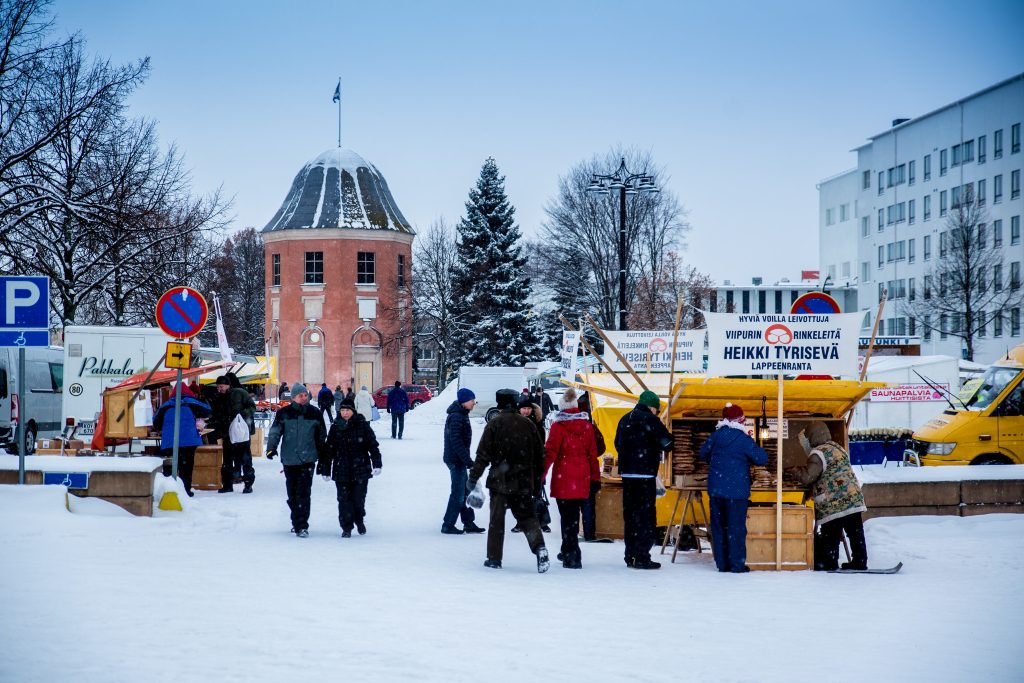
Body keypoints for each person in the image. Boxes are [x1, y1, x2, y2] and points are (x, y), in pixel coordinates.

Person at [468, 390, 550, 572]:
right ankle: (539, 548)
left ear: (499, 404)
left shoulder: (494, 424)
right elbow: (540, 456)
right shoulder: (528, 425)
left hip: (500, 482)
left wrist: (473, 477)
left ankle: (494, 558)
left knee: (496, 521)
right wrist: (536, 481)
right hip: (523, 482)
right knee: (528, 518)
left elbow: (483, 455)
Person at [787, 421, 869, 571]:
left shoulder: (818, 453)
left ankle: (830, 562)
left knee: (830, 535)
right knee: (855, 533)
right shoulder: (838, 448)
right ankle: (860, 561)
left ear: (811, 437)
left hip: (834, 503)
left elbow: (808, 477)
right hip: (853, 499)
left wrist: (795, 471)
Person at [698, 403, 768, 573]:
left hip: (716, 490)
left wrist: (717, 461)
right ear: (740, 420)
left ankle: (722, 564)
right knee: (735, 528)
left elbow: (702, 453)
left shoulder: (715, 436)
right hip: (736, 492)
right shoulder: (743, 439)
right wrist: (746, 459)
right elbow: (762, 458)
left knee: (719, 528)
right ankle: (736, 564)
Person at [614, 390, 673, 570]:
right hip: (645, 475)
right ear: (652, 407)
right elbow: (667, 443)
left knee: (630, 515)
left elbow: (617, 443)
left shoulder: (625, 418)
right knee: (645, 517)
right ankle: (642, 556)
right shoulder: (651, 420)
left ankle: (630, 554)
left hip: (627, 475)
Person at [542, 387, 599, 569]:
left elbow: (550, 453)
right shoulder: (587, 426)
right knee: (574, 518)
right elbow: (593, 455)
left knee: (567, 519)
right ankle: (567, 550)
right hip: (582, 479)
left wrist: (540, 475)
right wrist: (595, 478)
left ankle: (572, 556)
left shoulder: (558, 427)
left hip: (564, 479)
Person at [266, 383, 326, 538]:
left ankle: (302, 525)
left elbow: (321, 436)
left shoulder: (315, 413)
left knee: (304, 493)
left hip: (308, 459)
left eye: (305, 395)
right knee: (292, 494)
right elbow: (275, 432)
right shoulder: (284, 413)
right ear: (293, 398)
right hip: (290, 459)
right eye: (300, 395)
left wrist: (323, 455)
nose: (304, 398)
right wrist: (271, 448)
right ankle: (296, 520)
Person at [318, 397, 382, 537]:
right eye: (342, 410)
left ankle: (359, 520)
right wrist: (326, 469)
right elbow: (329, 449)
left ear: (353, 411)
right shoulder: (336, 427)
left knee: (358, 500)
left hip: (360, 469)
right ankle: (346, 527)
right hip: (342, 470)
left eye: (347, 410)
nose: (345, 413)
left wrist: (377, 463)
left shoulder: (362, 424)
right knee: (343, 500)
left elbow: (372, 445)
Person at [152, 383, 211, 497]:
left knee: (169, 466)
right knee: (187, 467)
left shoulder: (165, 406)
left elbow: (155, 422)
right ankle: (186, 491)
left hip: (170, 441)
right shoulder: (191, 402)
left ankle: (168, 491)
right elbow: (208, 410)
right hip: (189, 441)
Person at [441, 388, 485, 535]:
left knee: (466, 491)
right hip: (456, 460)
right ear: (464, 401)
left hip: (458, 459)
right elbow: (456, 441)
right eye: (472, 400)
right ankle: (448, 525)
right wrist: (468, 461)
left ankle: (468, 523)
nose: (474, 403)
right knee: (458, 494)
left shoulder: (461, 414)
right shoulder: (457, 417)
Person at [512, 394, 551, 534]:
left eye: (528, 408)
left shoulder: (538, 425)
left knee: (537, 494)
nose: (526, 411)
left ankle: (542, 522)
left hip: (535, 465)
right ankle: (521, 522)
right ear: (519, 410)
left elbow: (542, 446)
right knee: (521, 496)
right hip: (519, 466)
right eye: (524, 408)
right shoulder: (514, 425)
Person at [212, 374, 257, 494]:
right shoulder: (218, 397)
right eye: (218, 387)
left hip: (241, 432)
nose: (219, 389)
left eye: (221, 386)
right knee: (227, 459)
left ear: (227, 385)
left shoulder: (240, 393)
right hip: (227, 433)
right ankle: (227, 484)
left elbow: (252, 406)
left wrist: (242, 415)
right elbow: (217, 414)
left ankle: (248, 484)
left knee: (245, 458)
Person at [577, 392, 611, 544]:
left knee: (571, 504)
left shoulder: (565, 427)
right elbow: (601, 448)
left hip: (570, 472)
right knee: (588, 503)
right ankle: (589, 533)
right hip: (588, 471)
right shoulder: (591, 428)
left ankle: (572, 533)